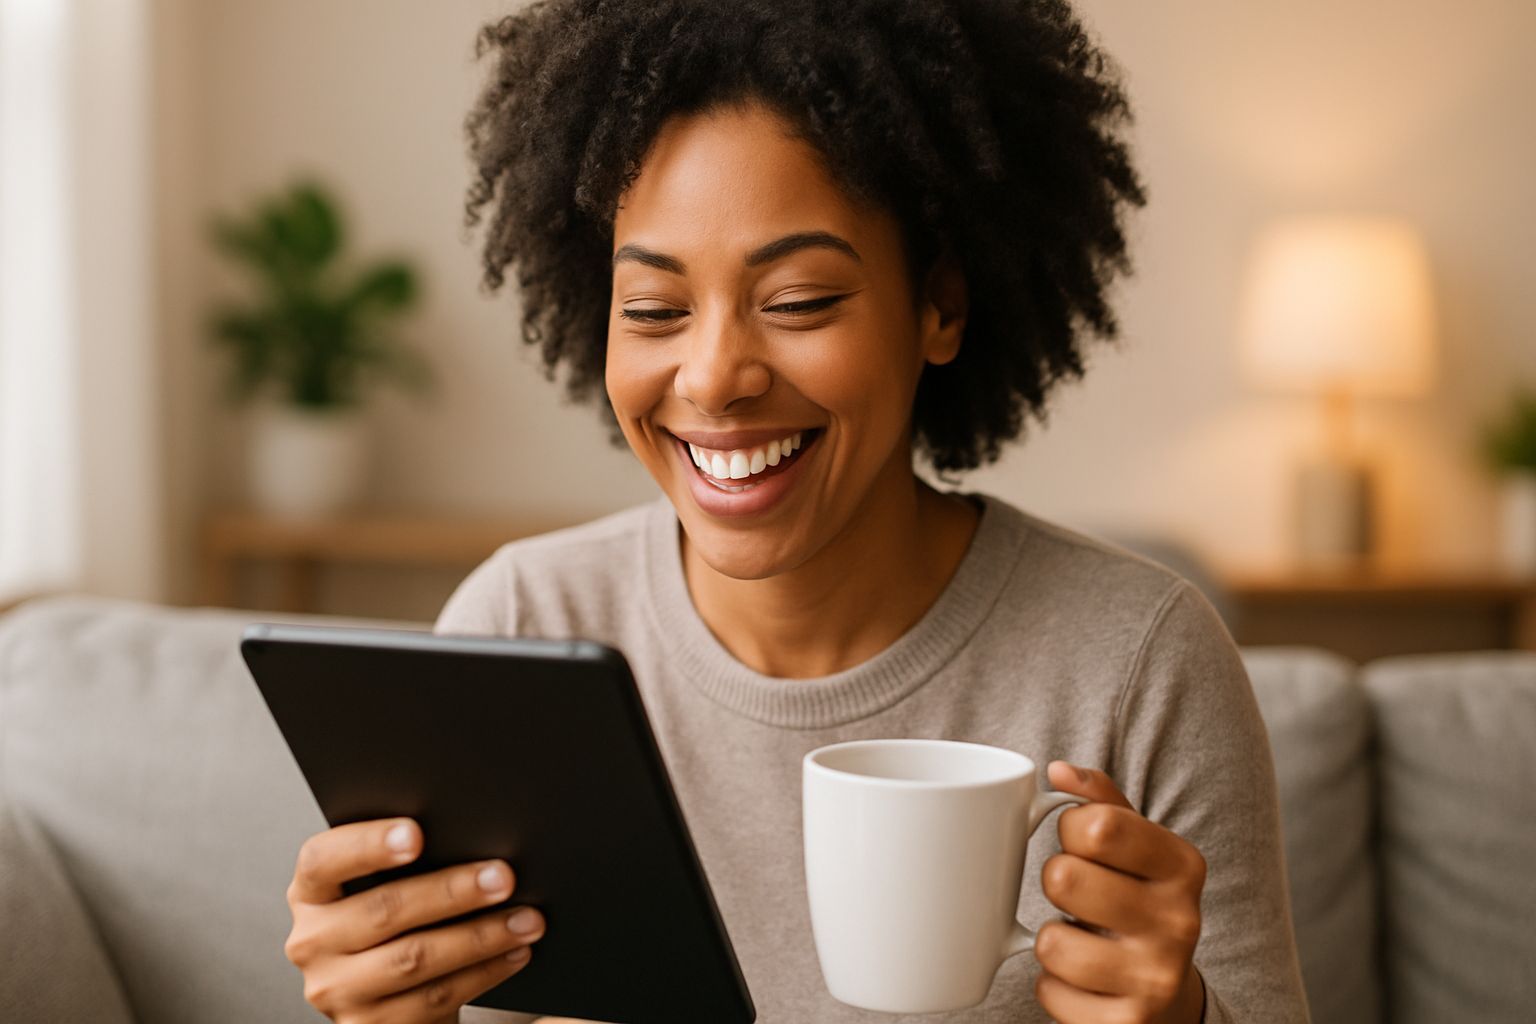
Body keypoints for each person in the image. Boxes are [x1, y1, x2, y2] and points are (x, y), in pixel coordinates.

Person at [281, 1, 1309, 1022]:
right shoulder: (520, 624)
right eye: (653, 310)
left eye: (801, 299)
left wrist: (1181, 1017)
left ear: (939, 306)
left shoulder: (1138, 662)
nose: (716, 375)